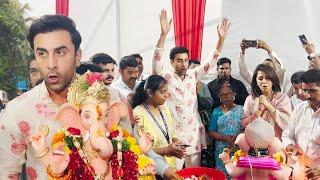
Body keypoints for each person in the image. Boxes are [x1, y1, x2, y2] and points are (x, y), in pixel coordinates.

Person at [0, 15, 82, 179]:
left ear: (78, 56)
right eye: (42, 53)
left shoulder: (109, 100)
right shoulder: (18, 111)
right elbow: (7, 173)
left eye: (60, 52)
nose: (51, 64)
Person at [152, 9, 230, 168]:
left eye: (186, 60)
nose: (183, 64)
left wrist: (221, 39)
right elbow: (156, 62)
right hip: (174, 137)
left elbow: (212, 60)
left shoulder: (194, 75)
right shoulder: (165, 77)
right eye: (179, 61)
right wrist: (163, 35)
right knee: (174, 175)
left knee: (193, 174)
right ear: (172, 62)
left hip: (193, 134)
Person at [131, 75, 186, 170]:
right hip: (151, 167)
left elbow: (172, 134)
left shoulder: (165, 108)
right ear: (149, 92)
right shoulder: (138, 113)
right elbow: (140, 149)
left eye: (166, 91)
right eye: (162, 92)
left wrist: (177, 144)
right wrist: (166, 150)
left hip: (170, 164)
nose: (166, 95)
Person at [282, 69, 320, 179]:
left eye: (312, 91)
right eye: (305, 90)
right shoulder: (299, 109)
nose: (308, 96)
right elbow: (287, 134)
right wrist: (290, 145)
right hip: (298, 171)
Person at [242, 64, 292, 139]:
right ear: (256, 82)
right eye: (260, 78)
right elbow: (244, 123)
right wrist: (259, 111)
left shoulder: (283, 98)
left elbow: (287, 122)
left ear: (273, 80)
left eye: (267, 78)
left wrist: (268, 106)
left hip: (277, 142)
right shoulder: (250, 99)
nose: (264, 81)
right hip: (255, 142)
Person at [208, 83, 243, 178]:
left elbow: (246, 128)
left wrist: (237, 138)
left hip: (238, 149)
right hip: (221, 151)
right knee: (221, 176)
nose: (226, 96)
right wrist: (225, 138)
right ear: (220, 98)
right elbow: (211, 131)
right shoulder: (216, 111)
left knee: (237, 175)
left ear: (234, 95)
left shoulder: (242, 110)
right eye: (223, 94)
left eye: (229, 93)